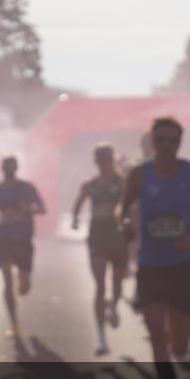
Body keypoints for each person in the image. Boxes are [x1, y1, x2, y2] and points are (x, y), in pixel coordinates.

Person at [119, 117, 190, 379]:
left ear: (180, 143)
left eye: (172, 140)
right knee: (156, 337)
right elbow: (123, 208)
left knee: (179, 346)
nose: (165, 145)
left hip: (185, 264)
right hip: (151, 264)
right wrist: (125, 222)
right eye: (160, 139)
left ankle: (175, 360)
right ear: (152, 141)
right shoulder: (139, 174)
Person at [0, 156, 46, 338]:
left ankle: (25, 281)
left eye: (11, 166)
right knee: (7, 283)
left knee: (23, 287)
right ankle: (14, 325)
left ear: (16, 167)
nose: (9, 169)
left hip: (23, 239)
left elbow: (42, 209)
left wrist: (28, 210)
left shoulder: (27, 188)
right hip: (4, 239)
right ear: (2, 169)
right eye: (6, 166)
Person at [72, 143, 128, 354]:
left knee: (117, 283)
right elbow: (79, 202)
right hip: (97, 237)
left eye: (107, 159)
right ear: (96, 162)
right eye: (101, 159)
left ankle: (114, 305)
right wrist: (76, 219)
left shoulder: (122, 183)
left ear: (112, 160)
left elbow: (131, 203)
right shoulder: (90, 185)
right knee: (100, 286)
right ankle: (102, 338)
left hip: (118, 237)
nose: (104, 163)